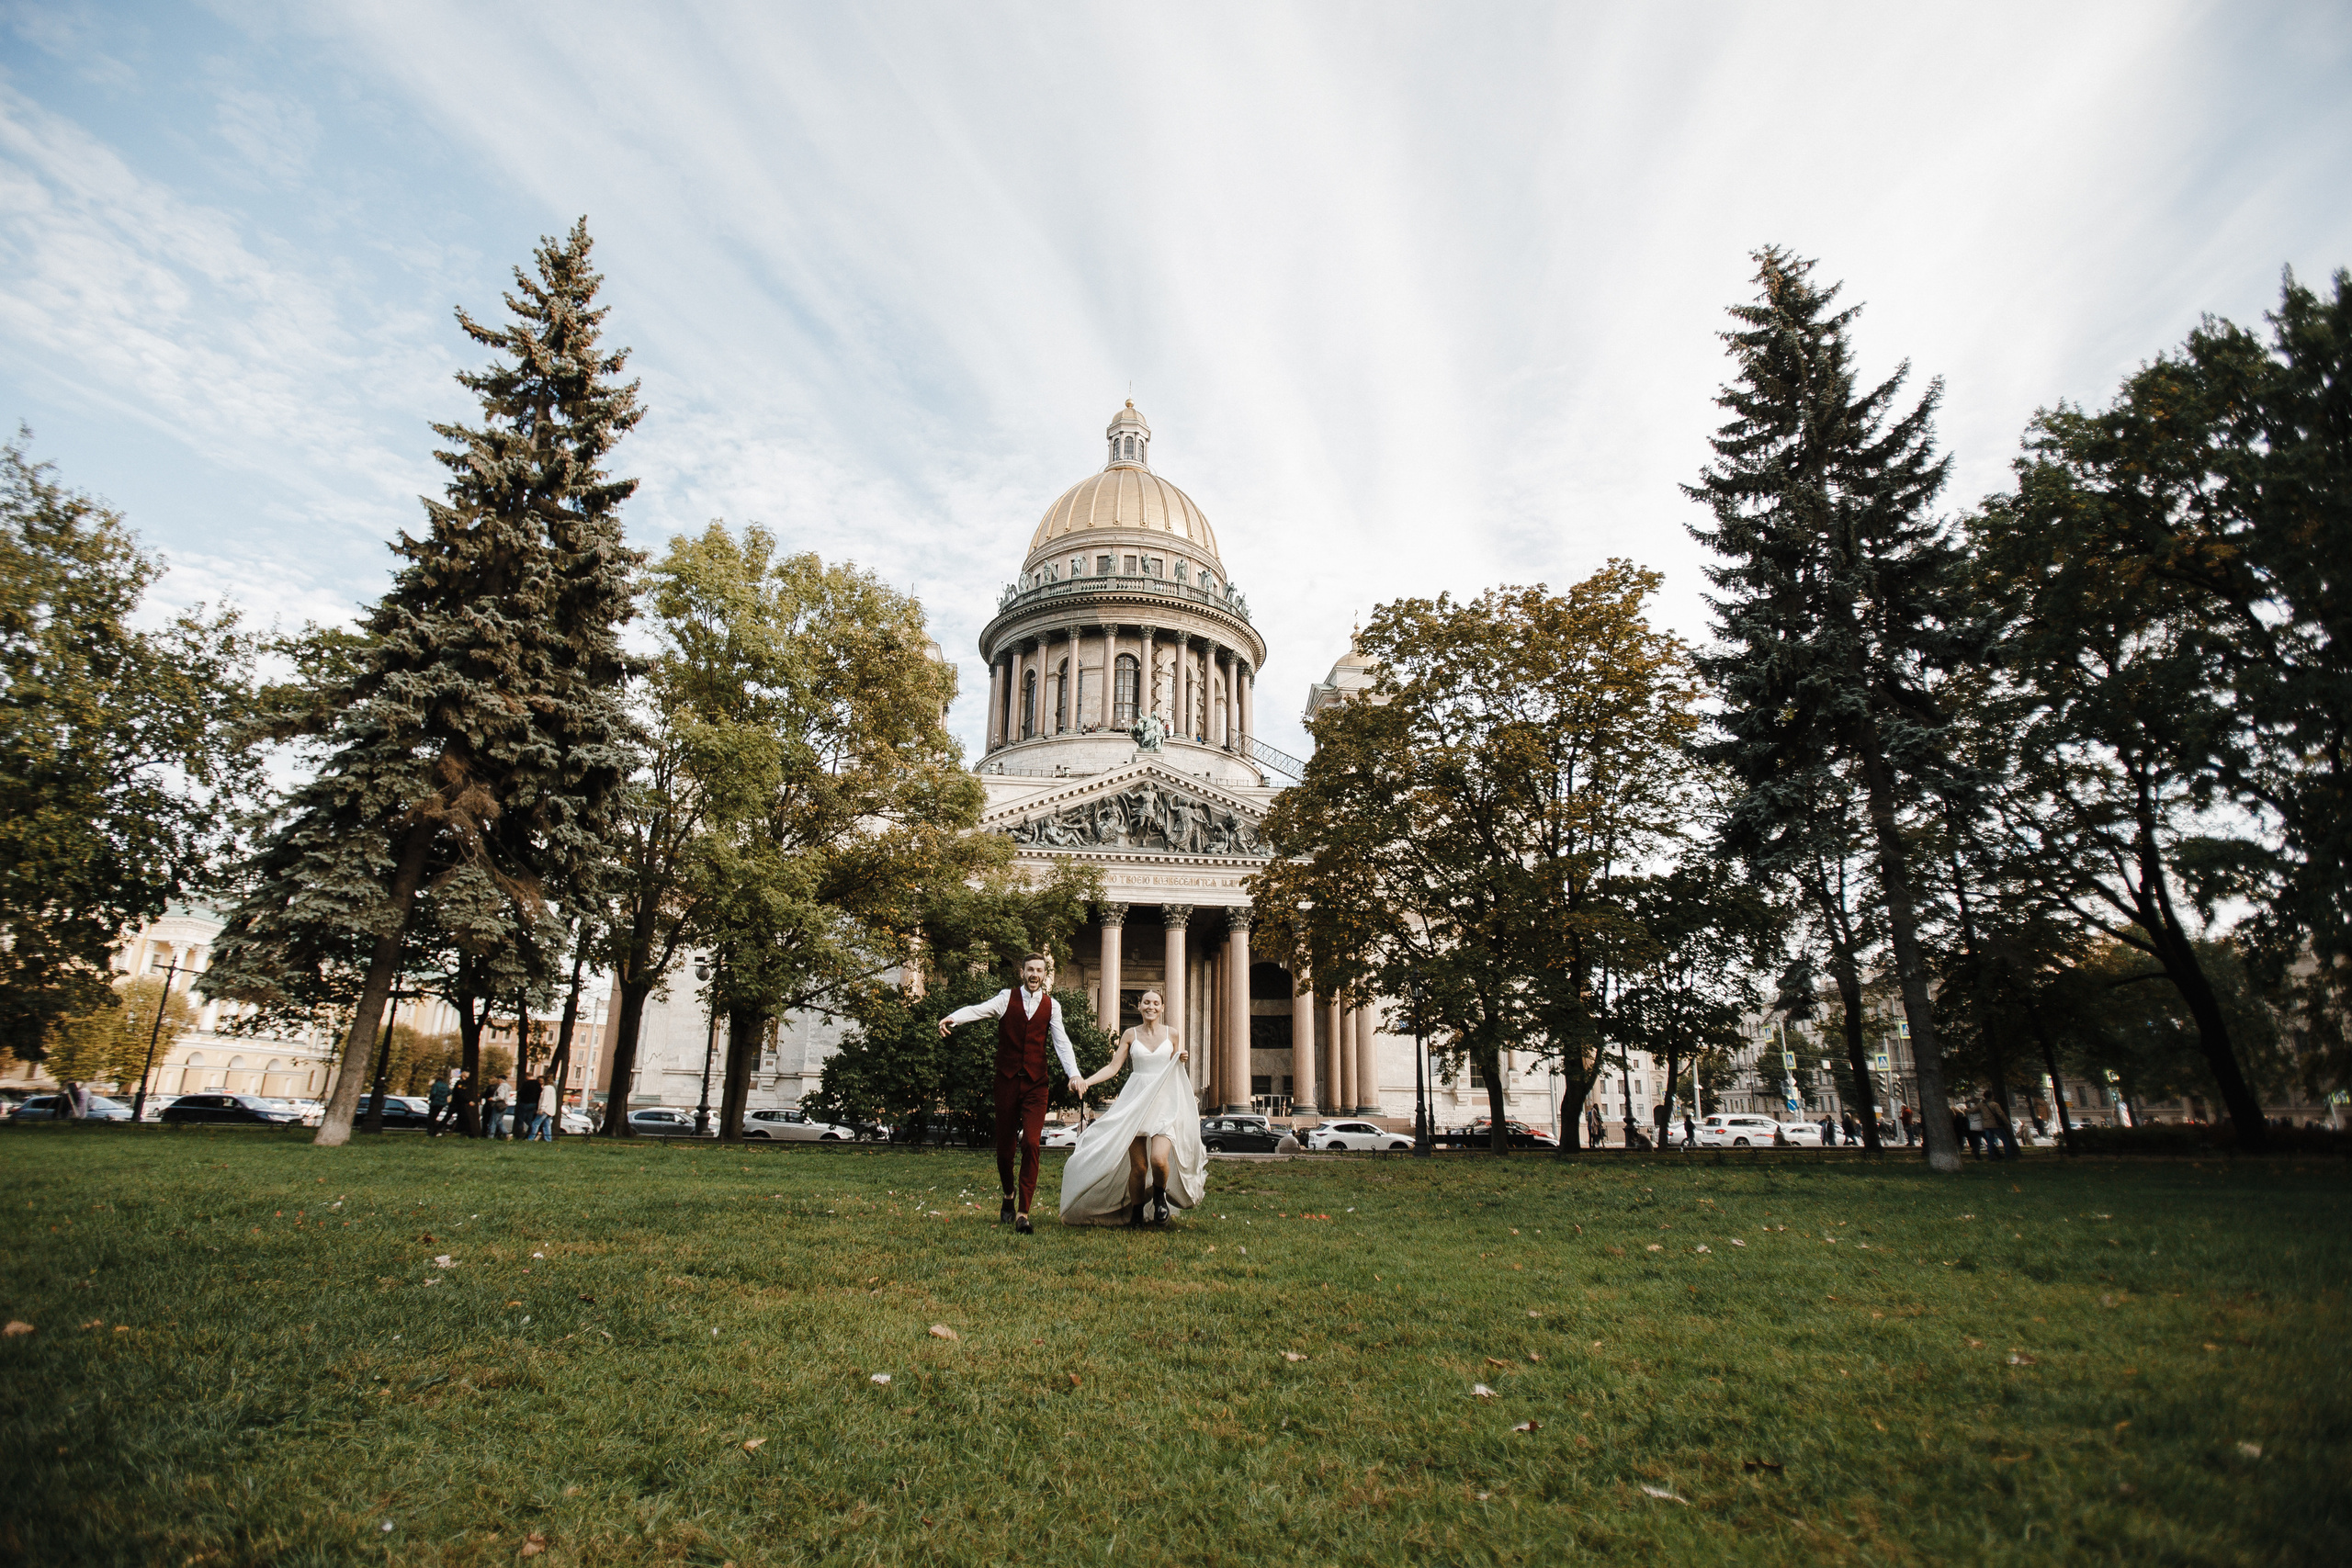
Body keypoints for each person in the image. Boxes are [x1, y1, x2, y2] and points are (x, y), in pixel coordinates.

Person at [937, 953, 1084, 1235]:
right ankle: (1008, 1194)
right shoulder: (1006, 999)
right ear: (1022, 972)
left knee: (1031, 1142)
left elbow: (1061, 1042)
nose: (1034, 974)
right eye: (1030, 969)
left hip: (1036, 1085)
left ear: (1044, 974)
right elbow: (978, 1010)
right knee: (1005, 1149)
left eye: (1039, 970)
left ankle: (1023, 1213)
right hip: (1006, 1082)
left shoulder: (1052, 1006)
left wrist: (1073, 1074)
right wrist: (954, 1018)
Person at [1062, 989, 1205, 1225]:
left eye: (1156, 1003)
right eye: (1146, 1002)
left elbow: (1175, 1068)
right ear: (1139, 1006)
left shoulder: (1173, 1034)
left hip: (1164, 1102)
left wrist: (1181, 1059)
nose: (1151, 1006)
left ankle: (1159, 1198)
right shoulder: (1130, 1034)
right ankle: (1136, 1214)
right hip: (1135, 1102)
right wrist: (1086, 1081)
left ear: (1162, 1008)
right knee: (1138, 1167)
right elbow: (1113, 1067)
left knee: (1159, 1160)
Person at [515, 1073, 548, 1142]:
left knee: (521, 1119)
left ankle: (519, 1135)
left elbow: (521, 1093)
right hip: (533, 1104)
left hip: (525, 1103)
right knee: (530, 1119)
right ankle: (535, 1131)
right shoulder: (538, 1085)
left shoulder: (526, 1083)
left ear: (527, 1077)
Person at [426, 1070, 452, 1134]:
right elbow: (450, 1092)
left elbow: (433, 1093)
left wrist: (430, 1099)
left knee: (431, 1117)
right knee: (436, 1115)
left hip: (435, 1102)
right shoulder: (445, 1085)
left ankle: (431, 1131)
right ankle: (436, 1130)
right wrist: (444, 1096)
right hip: (442, 1103)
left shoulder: (435, 1085)